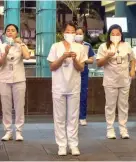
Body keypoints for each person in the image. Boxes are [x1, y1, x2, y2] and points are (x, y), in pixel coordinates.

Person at [47, 22, 88, 156]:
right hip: (58, 86)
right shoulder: (55, 46)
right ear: (63, 33)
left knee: (73, 117)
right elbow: (52, 66)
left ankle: (73, 144)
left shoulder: (80, 47)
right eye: (68, 31)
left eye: (73, 32)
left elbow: (81, 68)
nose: (70, 34)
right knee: (59, 118)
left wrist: (75, 60)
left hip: (74, 86)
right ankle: (62, 145)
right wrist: (63, 57)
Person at [96, 24, 136, 140]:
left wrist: (132, 70)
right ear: (109, 35)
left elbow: (133, 59)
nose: (115, 36)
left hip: (124, 80)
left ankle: (123, 129)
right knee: (110, 105)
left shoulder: (126, 45)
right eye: (113, 34)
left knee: (123, 105)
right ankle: (110, 129)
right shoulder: (104, 47)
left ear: (121, 34)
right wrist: (107, 57)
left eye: (117, 34)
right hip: (110, 81)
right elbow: (98, 63)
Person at [0, 24, 30, 141]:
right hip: (4, 79)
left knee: (19, 106)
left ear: (16, 33)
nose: (10, 32)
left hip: (19, 79)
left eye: (13, 30)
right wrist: (6, 52)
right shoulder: (2, 46)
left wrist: (21, 43)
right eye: (8, 30)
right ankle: (8, 131)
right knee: (6, 107)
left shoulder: (21, 45)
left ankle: (19, 131)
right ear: (5, 33)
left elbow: (27, 56)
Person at [75, 27, 95, 126]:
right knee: (72, 95)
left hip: (83, 72)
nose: (78, 35)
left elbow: (92, 60)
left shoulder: (87, 45)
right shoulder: (70, 45)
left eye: (80, 33)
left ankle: (82, 117)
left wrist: (83, 59)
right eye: (76, 33)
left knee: (83, 95)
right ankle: (72, 117)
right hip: (73, 71)